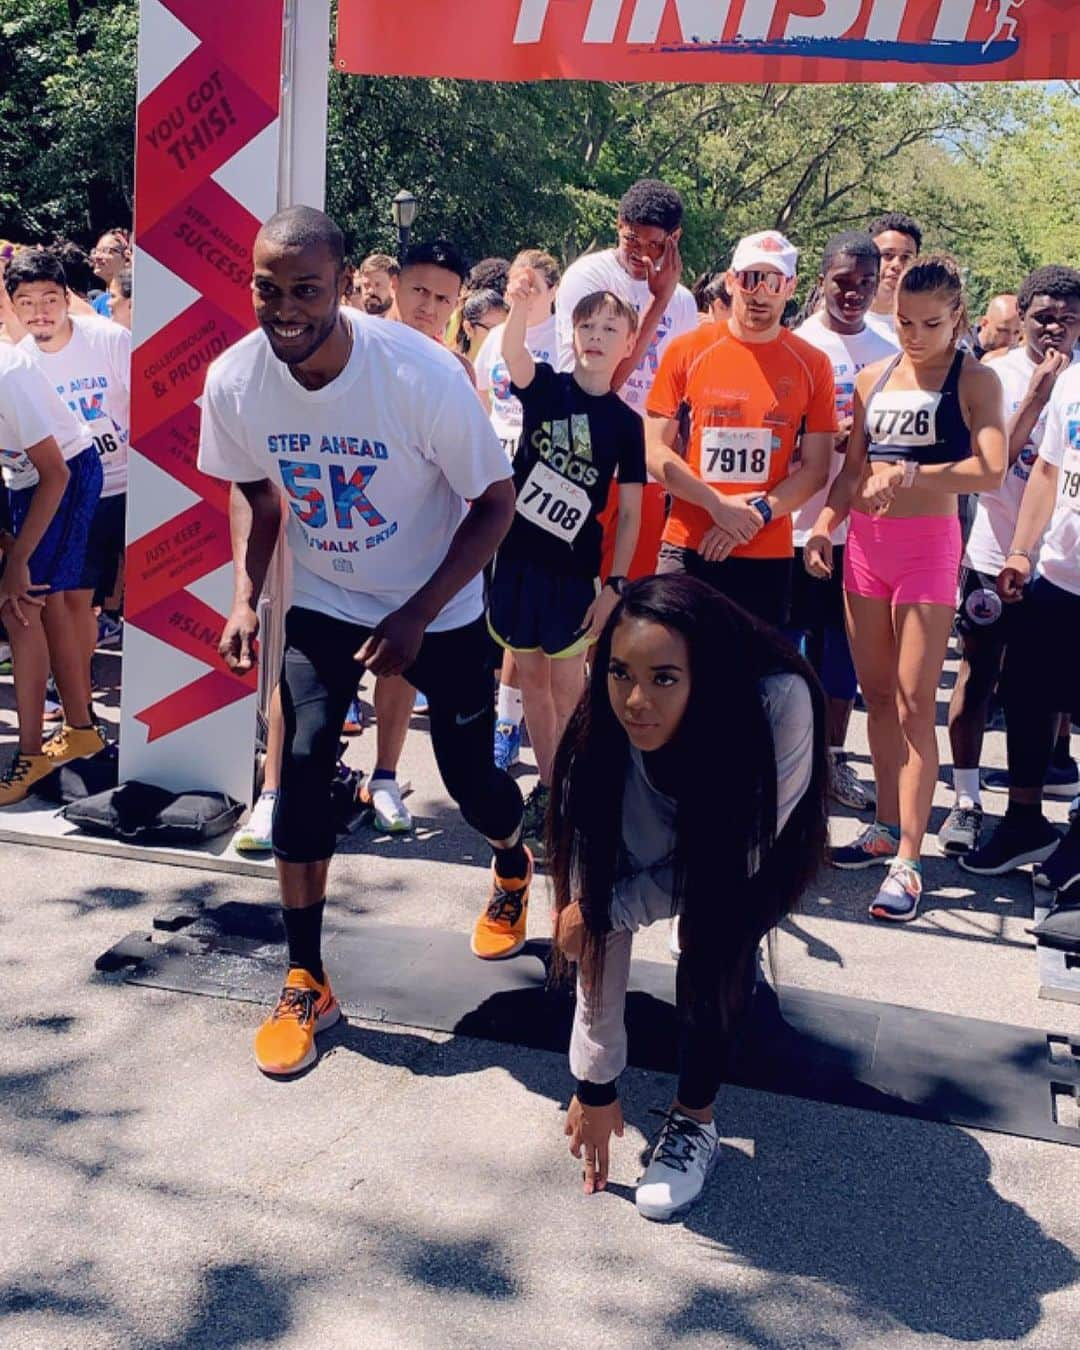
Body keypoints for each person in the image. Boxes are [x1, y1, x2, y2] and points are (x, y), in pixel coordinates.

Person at [198, 206, 529, 1076]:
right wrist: (245, 597)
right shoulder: (235, 379)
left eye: (306, 289)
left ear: (348, 288)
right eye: (268, 289)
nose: (285, 309)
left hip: (441, 606)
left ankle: (512, 860)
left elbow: (495, 504)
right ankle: (306, 976)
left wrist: (418, 612)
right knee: (303, 755)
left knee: (469, 782)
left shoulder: (417, 373)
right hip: (327, 599)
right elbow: (258, 497)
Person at [550, 574, 826, 1219]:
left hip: (753, 853)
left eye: (665, 678)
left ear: (706, 673)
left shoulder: (776, 703)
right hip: (666, 846)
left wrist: (606, 910)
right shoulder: (600, 735)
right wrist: (594, 1084)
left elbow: (733, 866)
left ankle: (695, 1120)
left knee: (713, 932)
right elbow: (593, 916)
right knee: (629, 906)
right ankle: (678, 912)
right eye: (620, 673)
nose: (636, 700)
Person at [806, 256, 1006, 921]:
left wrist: (917, 477)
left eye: (931, 323)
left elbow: (990, 468)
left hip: (928, 550)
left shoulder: (973, 379)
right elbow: (853, 470)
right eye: (906, 322)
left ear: (958, 317)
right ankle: (887, 825)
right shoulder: (873, 376)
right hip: (864, 548)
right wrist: (826, 526)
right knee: (881, 696)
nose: (916, 335)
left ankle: (910, 861)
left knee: (918, 701)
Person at [487, 267, 644, 860]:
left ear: (630, 342)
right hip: (519, 562)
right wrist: (522, 308)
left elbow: (628, 515)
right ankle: (552, 792)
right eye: (587, 324)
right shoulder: (547, 387)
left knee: (569, 685)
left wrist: (615, 587)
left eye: (611, 327)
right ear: (572, 333)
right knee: (530, 680)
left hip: (575, 575)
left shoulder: (627, 427)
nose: (597, 335)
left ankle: (582, 792)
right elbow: (511, 353)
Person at [941, 266, 1080, 855]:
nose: (1054, 327)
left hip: (1052, 565)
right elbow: (992, 465)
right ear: (1021, 315)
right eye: (1043, 314)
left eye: (1067, 317)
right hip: (996, 552)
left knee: (1041, 691)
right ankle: (967, 799)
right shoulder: (993, 373)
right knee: (979, 676)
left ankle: (1038, 798)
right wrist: (1038, 394)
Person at [645, 230, 834, 630]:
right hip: (687, 542)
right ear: (731, 281)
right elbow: (654, 449)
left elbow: (816, 469)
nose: (760, 293)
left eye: (773, 281)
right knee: (673, 673)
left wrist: (754, 516)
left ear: (791, 288)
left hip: (765, 551)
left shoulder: (813, 364)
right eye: (750, 279)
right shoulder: (687, 350)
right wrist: (716, 505)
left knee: (749, 682)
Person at [791, 232, 898, 813]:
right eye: (842, 281)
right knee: (786, 648)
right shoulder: (797, 344)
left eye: (865, 281)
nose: (853, 292)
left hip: (863, 533)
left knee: (842, 653)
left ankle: (831, 761)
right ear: (822, 278)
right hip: (794, 527)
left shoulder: (891, 349)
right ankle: (785, 762)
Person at [556, 179, 697, 580]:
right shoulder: (589, 277)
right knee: (575, 588)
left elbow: (677, 395)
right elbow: (598, 386)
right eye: (632, 240)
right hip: (585, 456)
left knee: (628, 593)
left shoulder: (684, 302)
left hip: (644, 468)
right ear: (619, 224)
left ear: (675, 239)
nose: (642, 255)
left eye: (656, 246)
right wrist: (659, 301)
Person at [0, 342, 102, 805]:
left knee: (21, 606)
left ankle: (31, 755)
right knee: (47, 606)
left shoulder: (7, 375)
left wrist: (17, 559)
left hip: (64, 475)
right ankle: (81, 730)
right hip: (24, 480)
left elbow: (56, 473)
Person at [865, 213, 922, 343]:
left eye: (906, 257)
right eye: (887, 255)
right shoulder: (844, 324)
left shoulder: (928, 328)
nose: (897, 265)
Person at [457, 288, 508, 364]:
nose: (500, 336)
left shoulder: (507, 369)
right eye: (493, 329)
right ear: (469, 329)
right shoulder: (453, 369)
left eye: (503, 329)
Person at [89, 229, 131, 317]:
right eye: (96, 251)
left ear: (127, 259)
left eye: (105, 250)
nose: (97, 257)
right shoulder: (97, 303)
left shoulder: (136, 301)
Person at [974, 293, 1022, 360]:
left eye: (1016, 332)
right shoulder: (961, 349)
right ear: (984, 323)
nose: (1010, 341)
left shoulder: (1020, 351)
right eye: (1003, 330)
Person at [351, 253, 398, 317]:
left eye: (377, 285)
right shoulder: (351, 321)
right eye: (366, 285)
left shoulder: (407, 325)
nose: (371, 291)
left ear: (394, 286)